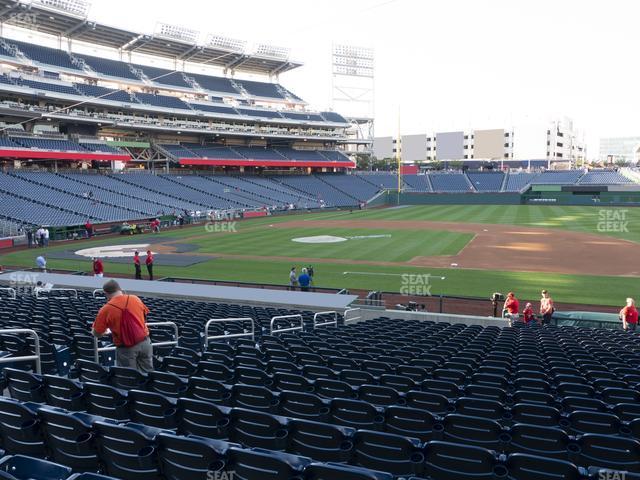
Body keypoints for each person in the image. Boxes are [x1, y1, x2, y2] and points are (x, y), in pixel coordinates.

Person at [92, 279, 152, 372]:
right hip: (145, 342)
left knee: (129, 377)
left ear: (106, 293)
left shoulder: (106, 309)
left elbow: (97, 333)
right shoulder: (135, 298)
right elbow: (144, 316)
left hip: (126, 348)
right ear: (120, 289)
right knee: (148, 374)